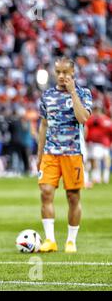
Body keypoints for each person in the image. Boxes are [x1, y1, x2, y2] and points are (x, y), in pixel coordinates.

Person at [37, 57, 92, 253]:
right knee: (45, 193)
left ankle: (71, 240)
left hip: (72, 153)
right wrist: (39, 154)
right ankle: (50, 240)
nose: (61, 76)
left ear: (73, 73)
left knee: (73, 197)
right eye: (58, 72)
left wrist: (72, 93)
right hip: (50, 153)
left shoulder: (84, 93)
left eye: (65, 73)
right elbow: (43, 125)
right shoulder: (47, 95)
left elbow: (83, 118)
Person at [85, 103, 112, 185]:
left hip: (105, 143)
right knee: (94, 160)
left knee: (106, 160)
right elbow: (85, 129)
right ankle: (96, 177)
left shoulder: (106, 120)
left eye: (98, 109)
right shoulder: (90, 119)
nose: (97, 111)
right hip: (93, 143)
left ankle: (105, 177)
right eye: (95, 109)